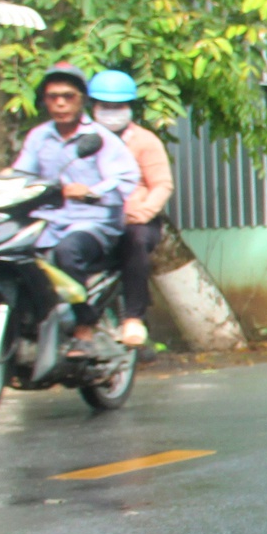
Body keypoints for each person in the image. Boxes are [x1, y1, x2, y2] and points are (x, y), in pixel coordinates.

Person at [11, 64, 139, 355]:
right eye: (52, 96)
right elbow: (21, 172)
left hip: (92, 223)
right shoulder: (38, 137)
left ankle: (85, 326)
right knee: (12, 254)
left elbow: (126, 178)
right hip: (47, 220)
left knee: (68, 251)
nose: (59, 103)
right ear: (44, 101)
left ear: (81, 99)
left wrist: (92, 191)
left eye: (67, 96)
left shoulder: (100, 138)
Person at [88, 69, 172, 347]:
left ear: (129, 108)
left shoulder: (145, 141)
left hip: (135, 220)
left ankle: (133, 317)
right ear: (93, 107)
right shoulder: (83, 138)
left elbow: (162, 185)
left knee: (134, 240)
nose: (111, 112)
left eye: (118, 107)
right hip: (91, 218)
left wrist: (143, 212)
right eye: (105, 107)